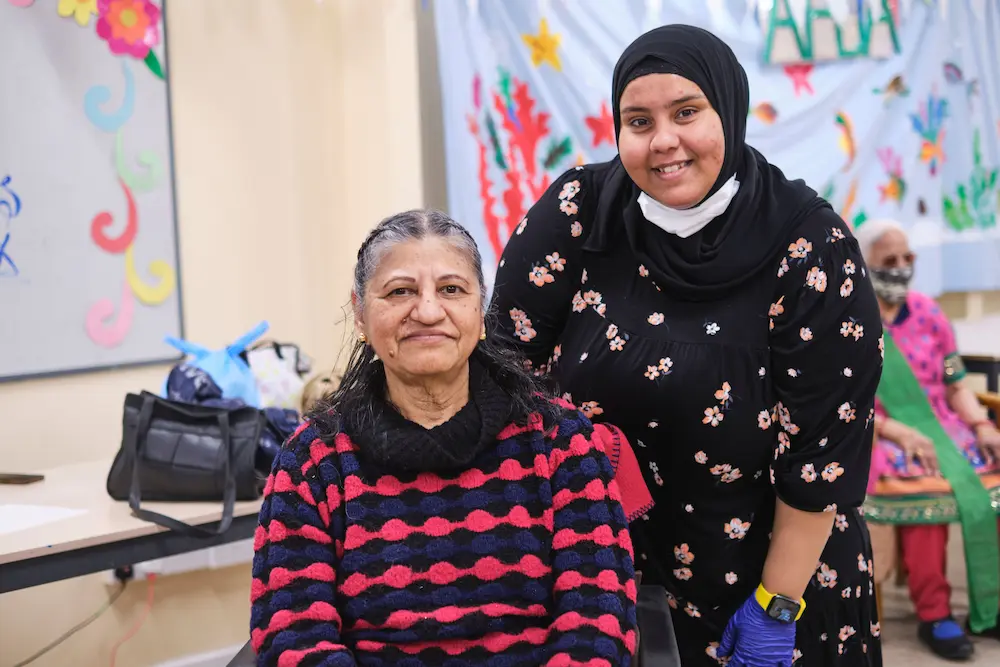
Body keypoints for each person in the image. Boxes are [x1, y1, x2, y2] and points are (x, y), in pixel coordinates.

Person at [491, 24, 883, 666]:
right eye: (638, 120)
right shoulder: (579, 212)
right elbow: (504, 375)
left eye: (686, 112)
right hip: (604, 586)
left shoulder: (808, 244)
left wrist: (775, 608)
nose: (663, 141)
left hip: (779, 582)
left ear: (728, 110)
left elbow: (821, 461)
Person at [250, 210, 646, 666]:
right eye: (400, 291)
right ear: (360, 313)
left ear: (480, 311)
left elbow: (599, 620)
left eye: (452, 289)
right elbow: (293, 634)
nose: (428, 311)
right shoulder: (312, 462)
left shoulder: (561, 443)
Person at [858, 218, 1000, 660]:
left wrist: (981, 426)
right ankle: (934, 614)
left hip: (944, 426)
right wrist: (895, 430)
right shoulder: (850, 319)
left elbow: (956, 385)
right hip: (881, 435)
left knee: (992, 489)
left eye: (907, 259)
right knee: (927, 492)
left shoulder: (929, 312)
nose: (901, 268)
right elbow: (837, 400)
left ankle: (990, 608)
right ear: (865, 265)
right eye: (889, 261)